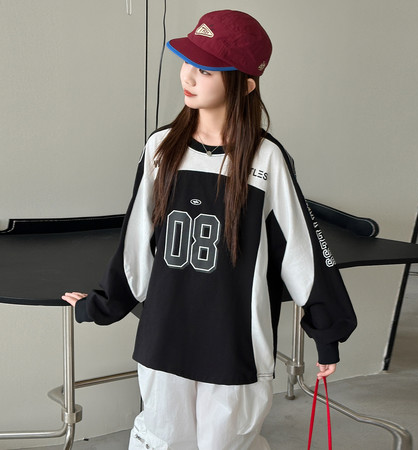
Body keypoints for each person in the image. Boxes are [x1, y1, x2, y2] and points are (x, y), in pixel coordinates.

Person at [62, 9, 357, 450]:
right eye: (187, 62)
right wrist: (101, 305)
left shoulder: (266, 159)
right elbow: (136, 241)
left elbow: (303, 248)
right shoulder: (161, 148)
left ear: (246, 85)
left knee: (227, 444)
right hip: (165, 335)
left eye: (206, 70)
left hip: (235, 341)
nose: (188, 76)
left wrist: (327, 332)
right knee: (161, 440)